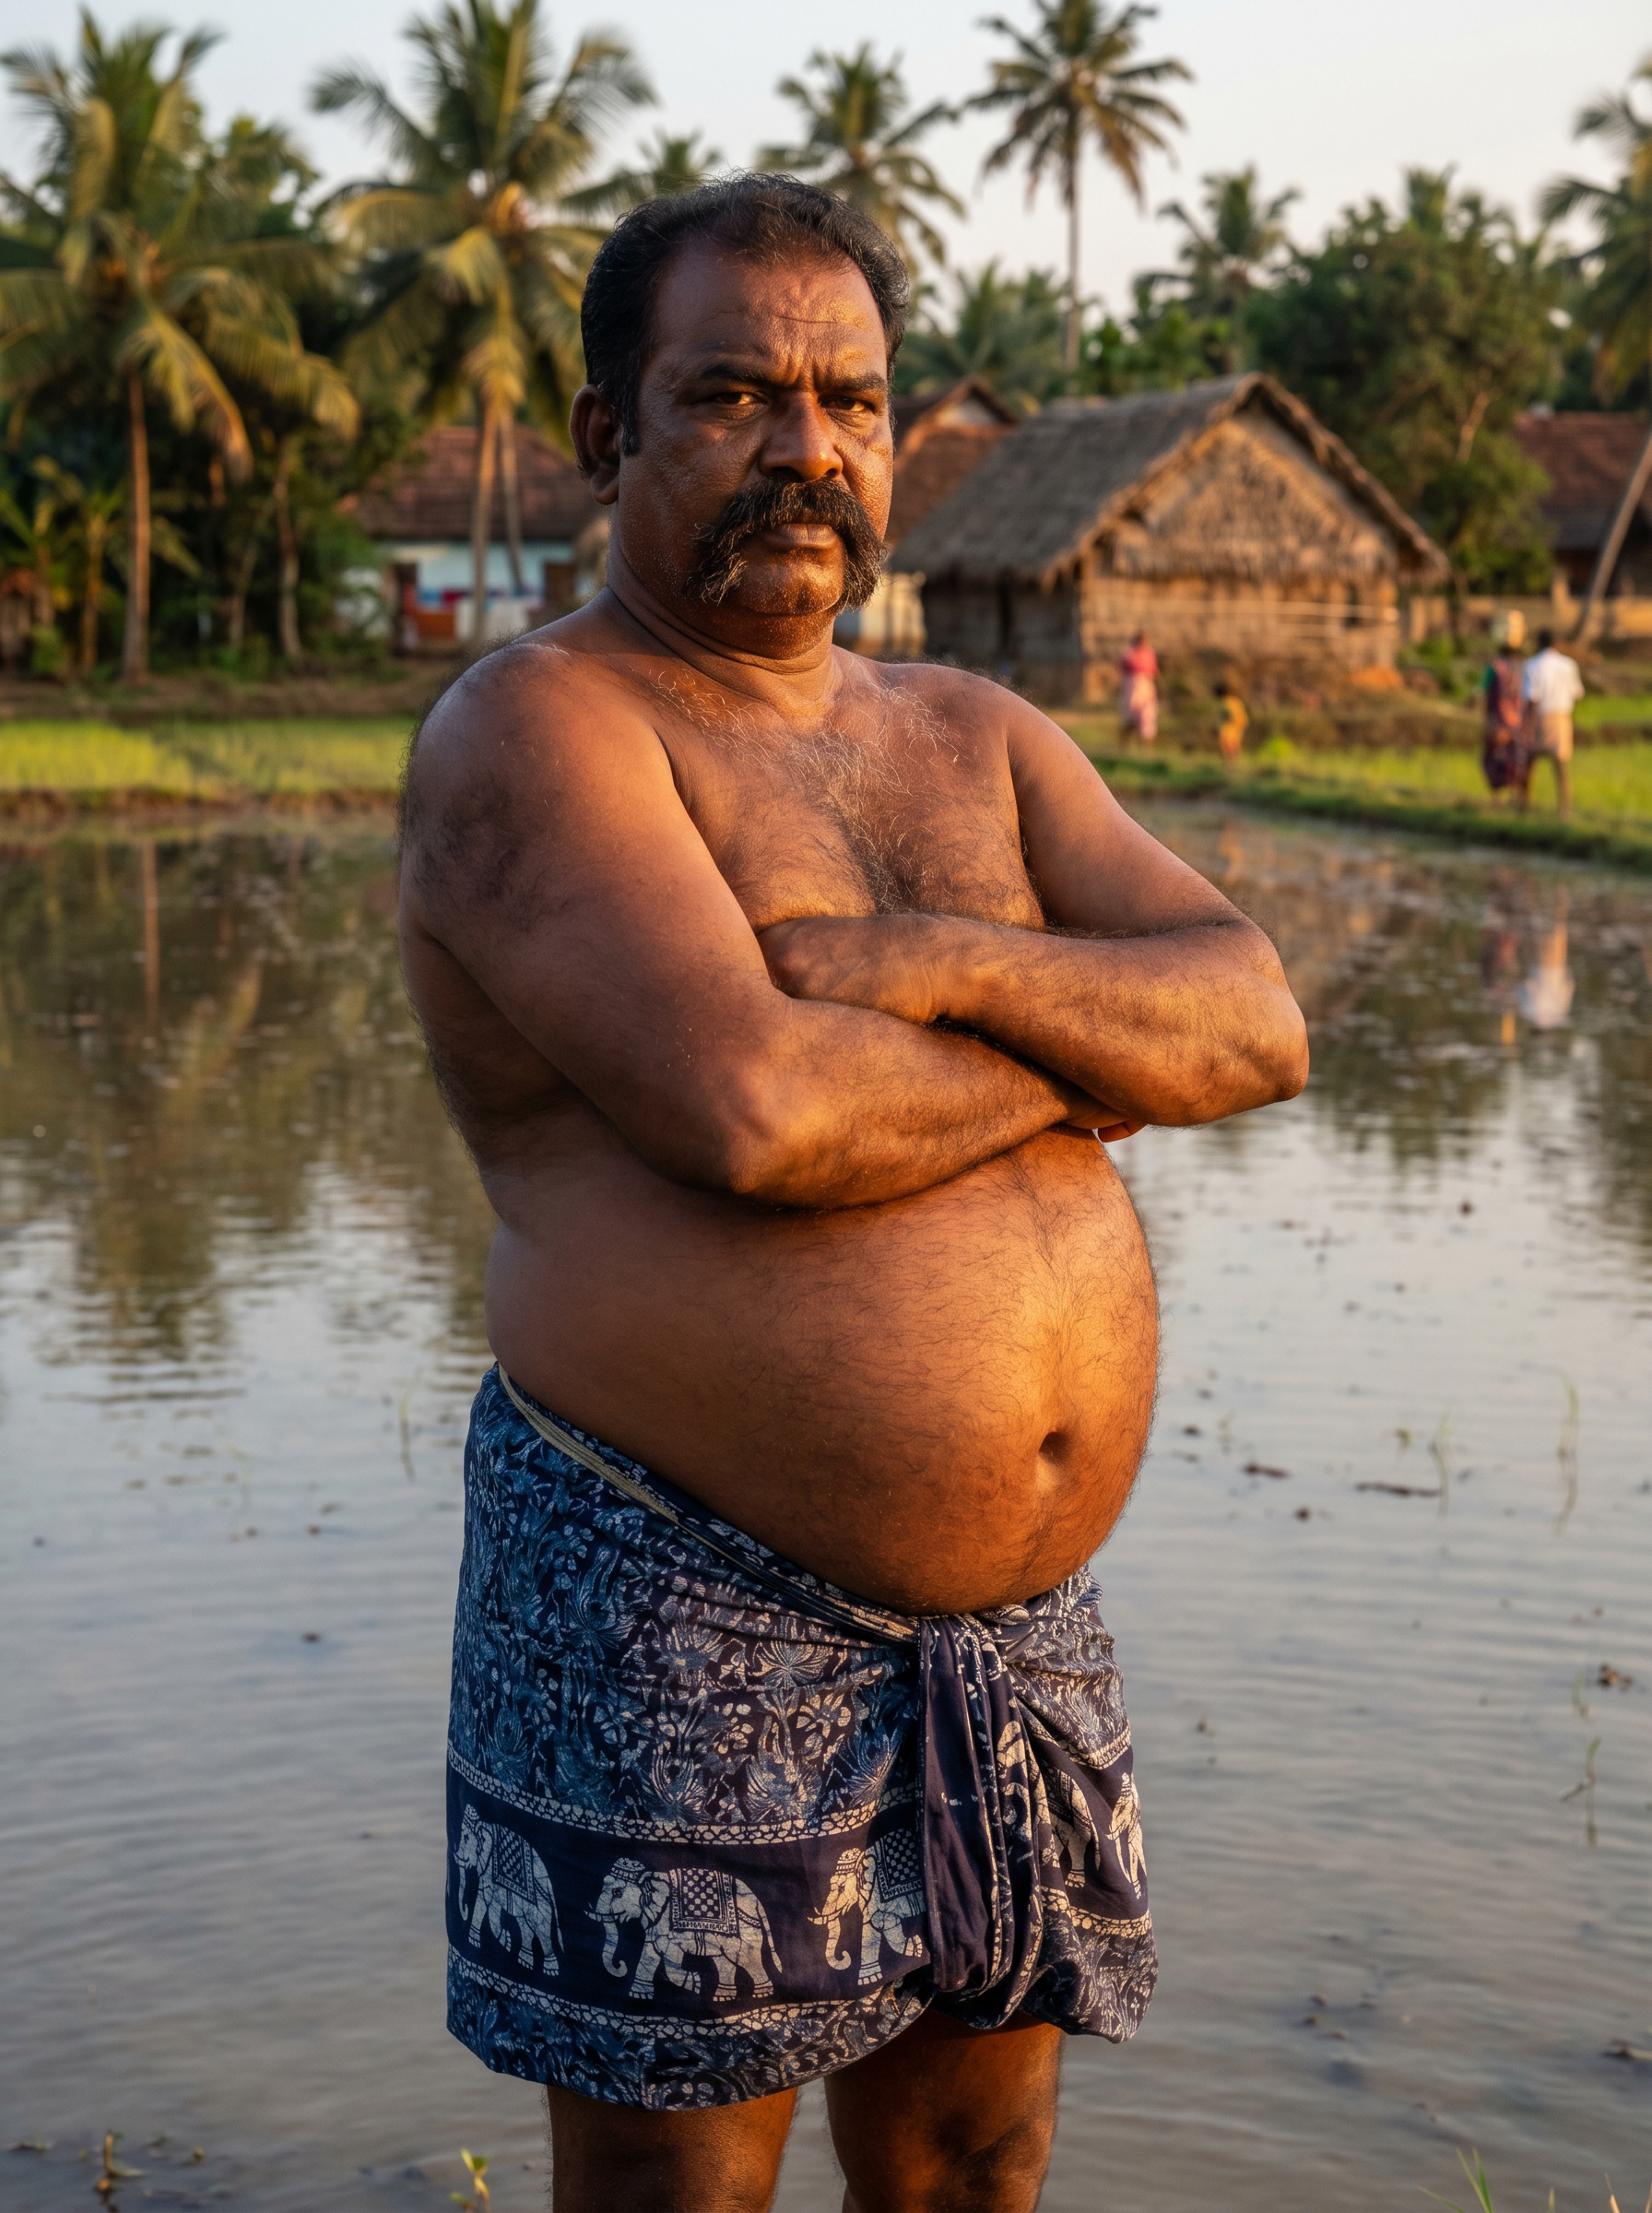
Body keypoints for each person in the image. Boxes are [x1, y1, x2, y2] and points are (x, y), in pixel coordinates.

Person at [398, 177, 1308, 2212]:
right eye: (730, 393)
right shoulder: (537, 727)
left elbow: (1250, 1021)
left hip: (1013, 1629)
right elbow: (761, 1116)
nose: (804, 447)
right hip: (678, 1595)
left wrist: (951, 968)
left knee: (976, 2167)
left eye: (852, 401)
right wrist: (1089, 1059)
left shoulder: (975, 735)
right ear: (602, 429)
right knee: (675, 2199)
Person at [1518, 626, 1585, 820]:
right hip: (1562, 718)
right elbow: (1578, 693)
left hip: (1540, 717)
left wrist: (1527, 727)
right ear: (1557, 644)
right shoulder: (1569, 665)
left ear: (1539, 644)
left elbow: (1532, 699)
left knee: (1529, 763)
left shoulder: (1532, 665)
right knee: (1561, 766)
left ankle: (1525, 806)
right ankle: (1564, 810)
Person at [1481, 634, 1528, 796]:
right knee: (1515, 759)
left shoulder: (1494, 667)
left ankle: (1496, 798)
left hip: (1496, 722)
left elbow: (1482, 690)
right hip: (1518, 722)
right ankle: (1515, 797)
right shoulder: (1523, 668)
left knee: (1495, 757)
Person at [1118, 630, 1159, 742]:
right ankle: (1125, 743)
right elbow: (1123, 669)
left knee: (1147, 717)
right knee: (1130, 716)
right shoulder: (1129, 653)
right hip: (1132, 687)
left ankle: (1145, 747)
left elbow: (1154, 671)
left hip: (1146, 687)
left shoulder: (1149, 654)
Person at [1216, 679, 1249, 764]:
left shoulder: (1225, 702)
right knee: (1234, 745)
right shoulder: (1235, 701)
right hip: (1238, 725)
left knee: (1228, 746)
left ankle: (1231, 764)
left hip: (1231, 726)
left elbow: (1231, 715)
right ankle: (1235, 764)